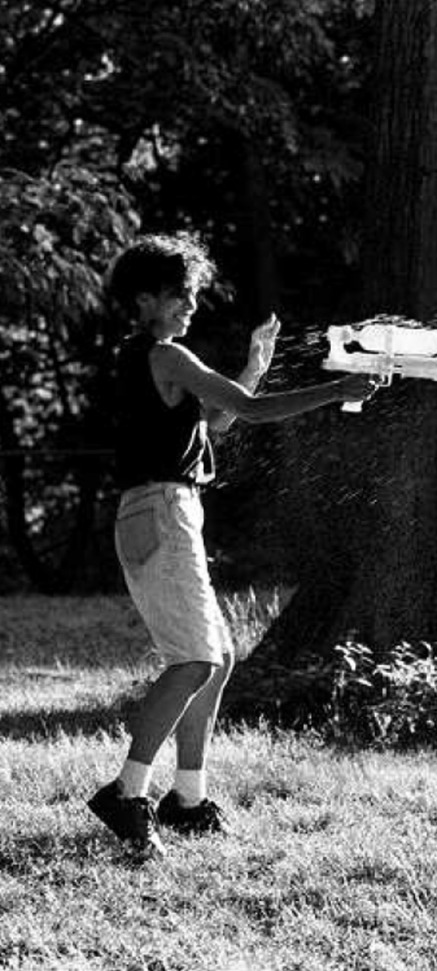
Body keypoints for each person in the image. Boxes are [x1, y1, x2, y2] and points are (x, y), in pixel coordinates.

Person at [89, 233, 379, 860]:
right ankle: (126, 793)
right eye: (180, 295)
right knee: (192, 662)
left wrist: (255, 363)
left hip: (167, 510)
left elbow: (219, 415)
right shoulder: (165, 355)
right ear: (145, 300)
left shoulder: (152, 360)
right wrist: (336, 391)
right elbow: (246, 412)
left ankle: (187, 800)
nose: (191, 305)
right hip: (159, 512)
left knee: (215, 660)